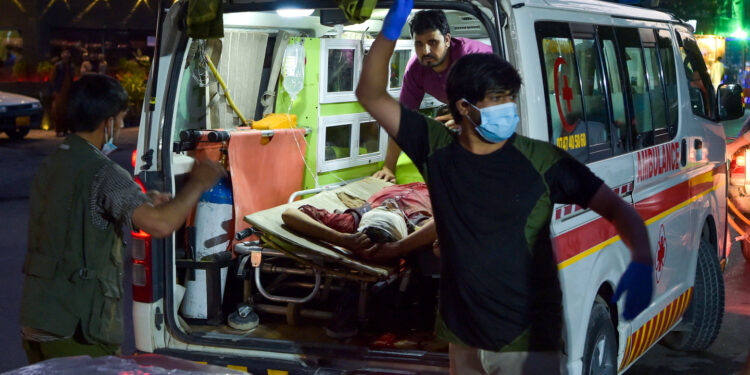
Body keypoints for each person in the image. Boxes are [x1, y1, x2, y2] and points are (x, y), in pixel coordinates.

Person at [355, 1, 655, 373]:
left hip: (525, 343)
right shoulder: (436, 151)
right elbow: (370, 93)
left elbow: (615, 207)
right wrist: (389, 31)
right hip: (462, 338)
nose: (508, 109)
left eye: (510, 98)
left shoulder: (542, 161)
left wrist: (641, 255)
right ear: (464, 108)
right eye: (497, 100)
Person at [20, 74, 225, 363]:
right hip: (76, 330)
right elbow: (161, 224)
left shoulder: (55, 162)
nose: (118, 127)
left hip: (39, 319)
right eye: (118, 120)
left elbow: (78, 214)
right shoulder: (103, 172)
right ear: (108, 123)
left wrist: (142, 201)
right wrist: (199, 182)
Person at [372, 9, 491, 183]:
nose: (425, 50)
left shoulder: (473, 59)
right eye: (419, 44)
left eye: (433, 42)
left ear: (448, 40)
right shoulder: (415, 70)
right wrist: (388, 167)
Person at [50, 49, 74, 137]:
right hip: (60, 91)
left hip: (68, 91)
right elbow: (52, 78)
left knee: (67, 111)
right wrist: (56, 89)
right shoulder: (58, 66)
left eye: (68, 53)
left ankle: (65, 129)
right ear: (61, 55)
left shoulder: (71, 66)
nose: (66, 55)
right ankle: (59, 130)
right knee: (59, 111)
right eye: (64, 53)